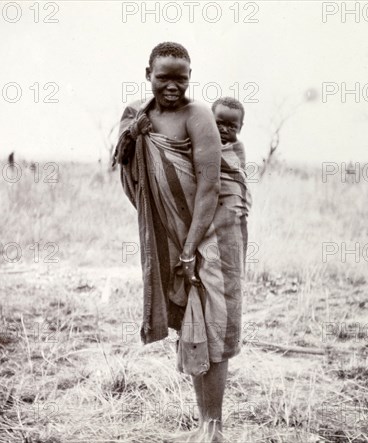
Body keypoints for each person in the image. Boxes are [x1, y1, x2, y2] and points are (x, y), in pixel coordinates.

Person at [114, 42, 248, 443]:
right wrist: (132, 137)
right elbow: (126, 166)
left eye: (181, 78)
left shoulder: (198, 115)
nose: (172, 86)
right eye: (162, 77)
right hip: (171, 231)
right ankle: (205, 423)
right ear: (147, 74)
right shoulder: (137, 115)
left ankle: (214, 427)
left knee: (215, 321)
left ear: (190, 77)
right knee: (192, 320)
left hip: (211, 231)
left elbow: (208, 185)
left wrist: (190, 250)